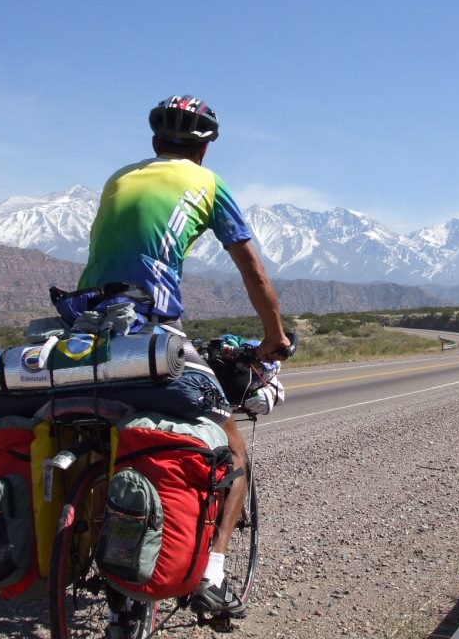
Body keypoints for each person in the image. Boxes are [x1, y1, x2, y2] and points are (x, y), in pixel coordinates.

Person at [77, 94, 290, 617]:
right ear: (205, 149)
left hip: (79, 334)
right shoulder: (209, 186)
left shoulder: (119, 178)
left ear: (154, 144)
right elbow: (253, 273)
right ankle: (212, 575)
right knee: (230, 448)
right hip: (148, 332)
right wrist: (275, 339)